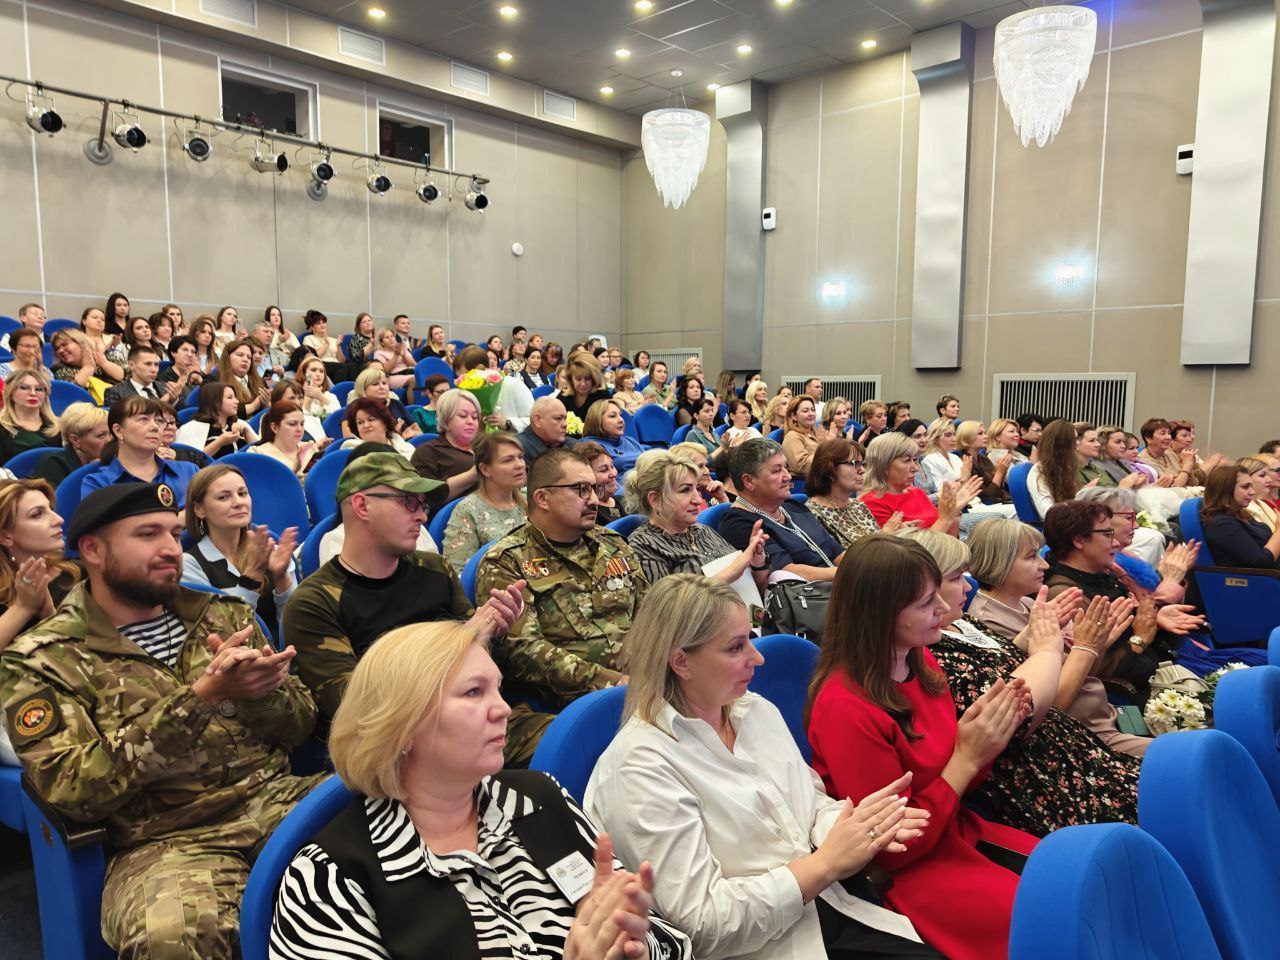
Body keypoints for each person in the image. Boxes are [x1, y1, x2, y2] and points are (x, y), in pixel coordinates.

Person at [0, 482, 322, 957]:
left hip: (278, 800)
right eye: (148, 534)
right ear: (92, 548)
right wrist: (200, 700)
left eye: (174, 534)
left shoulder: (222, 615)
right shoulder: (42, 658)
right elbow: (71, 791)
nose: (170, 549)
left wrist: (261, 696)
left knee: (405, 820)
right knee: (171, 938)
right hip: (167, 842)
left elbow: (302, 727)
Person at [270, 621, 691, 960]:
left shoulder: (537, 799)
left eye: (497, 689)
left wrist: (634, 945)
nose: (504, 709)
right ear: (401, 726)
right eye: (474, 692)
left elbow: (669, 942)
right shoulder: (331, 880)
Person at [585, 575, 937, 960]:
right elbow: (699, 928)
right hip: (762, 947)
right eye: (736, 648)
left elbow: (809, 805)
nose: (758, 658)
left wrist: (858, 824)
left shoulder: (753, 710)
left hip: (826, 908)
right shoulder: (639, 767)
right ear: (681, 662)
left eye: (750, 639)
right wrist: (825, 863)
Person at [806, 536, 1039, 960]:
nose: (944, 609)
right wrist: (967, 758)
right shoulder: (845, 707)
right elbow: (892, 846)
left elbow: (956, 771)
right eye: (924, 602)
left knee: (1073, 882)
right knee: (1041, 920)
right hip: (913, 870)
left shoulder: (920, 660)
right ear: (880, 614)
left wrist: (988, 737)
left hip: (957, 830)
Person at [899, 527, 1142, 833]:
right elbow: (1019, 712)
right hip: (1052, 777)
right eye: (956, 578)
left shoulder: (960, 621)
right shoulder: (933, 651)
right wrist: (1071, 648)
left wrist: (1034, 637)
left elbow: (1003, 664)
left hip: (1079, 747)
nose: (967, 586)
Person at [284, 451, 522, 730]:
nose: (422, 516)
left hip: (478, 716)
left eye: (423, 505)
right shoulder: (314, 603)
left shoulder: (434, 569)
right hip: (401, 749)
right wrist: (465, 638)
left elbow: (482, 658)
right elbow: (354, 709)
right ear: (362, 506)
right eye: (409, 502)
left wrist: (498, 632)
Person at [477, 447, 648, 765]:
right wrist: (613, 682)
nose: (595, 500)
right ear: (542, 498)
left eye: (595, 489)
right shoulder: (509, 561)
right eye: (581, 490)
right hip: (568, 705)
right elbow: (524, 652)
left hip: (643, 689)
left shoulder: (614, 544)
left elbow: (651, 616)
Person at [966, 517, 1152, 757]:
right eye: (1031, 556)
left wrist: (1098, 645)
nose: (1044, 565)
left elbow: (1083, 671)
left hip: (1103, 716)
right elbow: (1047, 707)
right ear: (1000, 562)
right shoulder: (988, 623)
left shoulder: (1025, 602)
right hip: (1080, 737)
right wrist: (1086, 647)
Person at [1043, 500, 1204, 705]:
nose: (1116, 542)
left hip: (1160, 670)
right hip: (1132, 696)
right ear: (1079, 540)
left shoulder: (1100, 575)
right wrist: (1139, 640)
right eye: (1107, 534)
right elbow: (1092, 667)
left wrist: (1154, 617)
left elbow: (1131, 624)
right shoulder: (1066, 596)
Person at [0, 479, 80, 766]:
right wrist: (24, 606)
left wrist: (48, 612)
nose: (58, 519)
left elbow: (88, 652)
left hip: (84, 688)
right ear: (6, 536)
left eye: (51, 510)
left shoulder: (77, 576)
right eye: (38, 514)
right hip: (18, 701)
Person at [623, 450, 769, 594]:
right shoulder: (642, 546)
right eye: (685, 490)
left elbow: (754, 590)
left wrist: (756, 563)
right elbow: (666, 611)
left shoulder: (703, 531)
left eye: (696, 489)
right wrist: (732, 572)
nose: (698, 500)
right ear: (655, 499)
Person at [182, 463, 299, 633]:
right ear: (199, 509)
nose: (238, 502)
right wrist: (252, 575)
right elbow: (223, 634)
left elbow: (296, 625)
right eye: (223, 497)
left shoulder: (269, 550)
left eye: (243, 493)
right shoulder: (189, 566)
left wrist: (281, 579)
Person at [719, 438, 844, 580]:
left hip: (837, 584)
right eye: (777, 470)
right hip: (806, 595)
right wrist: (851, 575)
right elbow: (787, 572)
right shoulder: (739, 524)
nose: (788, 476)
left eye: (786, 467)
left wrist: (862, 568)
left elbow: (837, 551)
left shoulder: (793, 505)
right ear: (749, 481)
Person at [84, 396, 201, 504]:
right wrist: (185, 517)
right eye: (143, 419)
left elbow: (204, 524)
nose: (155, 427)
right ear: (118, 431)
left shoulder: (189, 471)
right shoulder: (99, 484)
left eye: (159, 421)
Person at [860, 433, 977, 535]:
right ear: (884, 465)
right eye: (907, 460)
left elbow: (949, 538)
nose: (915, 468)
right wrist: (945, 519)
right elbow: (917, 552)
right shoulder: (871, 503)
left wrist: (953, 512)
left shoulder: (916, 492)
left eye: (914, 459)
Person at [441, 432, 527, 569]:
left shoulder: (531, 501)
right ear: (485, 469)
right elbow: (457, 572)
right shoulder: (468, 510)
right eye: (508, 460)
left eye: (520, 457)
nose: (520, 465)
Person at [806, 438, 894, 548]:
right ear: (829, 469)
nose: (862, 470)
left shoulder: (858, 505)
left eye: (862, 464)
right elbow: (841, 561)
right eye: (854, 463)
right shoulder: (813, 515)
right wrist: (885, 536)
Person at [1201, 463, 1280, 569]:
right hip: (1259, 580)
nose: (1252, 492)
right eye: (1245, 487)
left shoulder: (1238, 513)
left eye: (1251, 486)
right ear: (1226, 490)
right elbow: (1261, 562)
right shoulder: (1221, 524)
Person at [411, 387, 482, 496]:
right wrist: (472, 475)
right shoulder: (427, 452)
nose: (470, 421)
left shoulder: (485, 447)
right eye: (463, 416)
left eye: (475, 417)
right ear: (446, 419)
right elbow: (426, 497)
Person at [32, 402, 110, 488]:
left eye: (110, 434)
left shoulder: (114, 460)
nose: (109, 440)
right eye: (100, 436)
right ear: (75, 440)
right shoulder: (53, 464)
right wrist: (90, 470)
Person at [176, 382, 259, 459]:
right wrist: (220, 442)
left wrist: (247, 431)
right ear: (215, 401)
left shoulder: (240, 424)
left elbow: (261, 454)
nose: (237, 401)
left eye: (235, 397)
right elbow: (190, 462)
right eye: (230, 397)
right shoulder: (193, 428)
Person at [0, 370, 62, 465]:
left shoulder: (59, 428)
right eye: (24, 388)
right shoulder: (2, 427)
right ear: (11, 393)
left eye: (39, 389)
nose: (33, 393)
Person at [251, 401, 321, 477]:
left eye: (302, 424)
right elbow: (263, 486)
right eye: (292, 424)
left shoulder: (309, 448)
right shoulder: (257, 453)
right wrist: (294, 471)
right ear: (274, 427)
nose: (299, 429)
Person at [102, 345, 182, 407]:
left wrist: (173, 401)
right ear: (131, 365)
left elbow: (182, 419)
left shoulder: (167, 388)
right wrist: (162, 403)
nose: (154, 369)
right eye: (148, 364)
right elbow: (120, 422)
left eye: (156, 365)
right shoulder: (116, 392)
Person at [584, 397, 646, 474]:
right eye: (613, 416)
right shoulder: (590, 446)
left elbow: (650, 463)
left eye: (620, 415)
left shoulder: (630, 441)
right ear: (597, 420)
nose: (621, 420)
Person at [348, 367, 416, 437]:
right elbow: (350, 436)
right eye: (375, 384)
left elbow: (418, 431)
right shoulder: (355, 408)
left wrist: (411, 433)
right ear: (363, 388)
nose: (382, 387)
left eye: (384, 383)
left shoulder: (396, 403)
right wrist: (394, 434)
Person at [340, 397, 416, 460]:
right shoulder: (352, 449)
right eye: (360, 422)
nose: (366, 425)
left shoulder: (403, 445)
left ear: (385, 424)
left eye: (370, 420)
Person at [517, 395, 576, 470]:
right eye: (558, 418)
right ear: (537, 420)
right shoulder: (518, 449)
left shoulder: (573, 445)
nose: (565, 424)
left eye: (565, 418)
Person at [217, 337, 271, 418]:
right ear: (227, 357)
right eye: (240, 355)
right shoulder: (215, 380)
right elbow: (219, 411)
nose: (245, 359)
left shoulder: (260, 381)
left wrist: (266, 404)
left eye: (249, 357)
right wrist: (253, 406)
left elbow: (269, 412)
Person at [575, 440, 624, 526]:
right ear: (587, 476)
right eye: (604, 470)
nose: (613, 474)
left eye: (612, 466)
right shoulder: (590, 511)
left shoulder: (618, 501)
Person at [558, 350, 611, 421]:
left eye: (587, 378)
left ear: (594, 378)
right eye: (578, 379)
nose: (583, 383)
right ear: (570, 378)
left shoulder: (603, 396)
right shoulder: (563, 396)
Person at [79, 305, 127, 383]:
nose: (99, 320)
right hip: (88, 379)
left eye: (102, 319)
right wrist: (106, 349)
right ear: (84, 321)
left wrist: (116, 347)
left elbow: (124, 365)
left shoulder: (113, 339)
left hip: (115, 380)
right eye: (95, 317)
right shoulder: (77, 338)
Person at [155, 334, 205, 407]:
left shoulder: (199, 374)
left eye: (193, 352)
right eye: (185, 350)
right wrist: (184, 377)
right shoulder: (163, 378)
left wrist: (200, 380)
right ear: (173, 353)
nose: (190, 355)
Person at [781, 395, 822, 479]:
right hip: (806, 485)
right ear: (794, 416)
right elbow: (802, 467)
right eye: (805, 411)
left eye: (812, 410)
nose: (811, 414)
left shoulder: (813, 435)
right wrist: (823, 445)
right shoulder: (792, 436)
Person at [301, 309, 347, 383]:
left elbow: (342, 361)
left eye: (324, 322)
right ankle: (338, 392)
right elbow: (312, 357)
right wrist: (326, 345)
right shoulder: (308, 339)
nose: (322, 325)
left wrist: (338, 346)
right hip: (320, 365)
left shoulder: (333, 340)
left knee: (350, 367)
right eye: (318, 323)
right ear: (312, 327)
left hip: (337, 366)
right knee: (341, 367)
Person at [1244, 454, 1280, 531]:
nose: (1269, 480)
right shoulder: (1245, 508)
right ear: (1247, 478)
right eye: (1262, 475)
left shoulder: (1260, 503)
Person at [372, 326, 415, 391]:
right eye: (387, 337)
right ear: (382, 343)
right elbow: (385, 371)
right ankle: (414, 401)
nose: (390, 339)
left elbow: (414, 364)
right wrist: (396, 355)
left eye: (392, 336)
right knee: (414, 379)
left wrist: (404, 356)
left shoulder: (402, 348)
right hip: (393, 376)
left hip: (410, 372)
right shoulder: (379, 353)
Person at [264, 305, 300, 372]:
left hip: (291, 363)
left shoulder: (287, 333)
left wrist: (287, 342)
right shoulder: (266, 334)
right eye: (273, 315)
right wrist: (279, 341)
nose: (276, 317)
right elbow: (267, 351)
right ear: (268, 318)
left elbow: (299, 351)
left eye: (278, 315)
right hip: (275, 364)